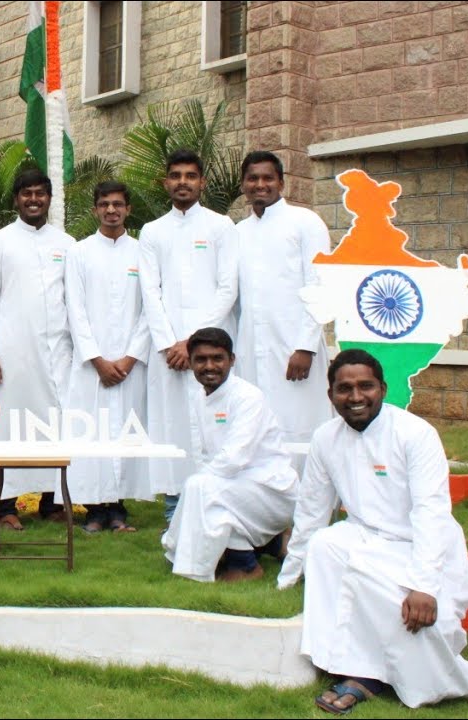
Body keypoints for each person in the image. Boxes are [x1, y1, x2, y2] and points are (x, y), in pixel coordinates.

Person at [277, 349, 468, 712]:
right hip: (363, 536)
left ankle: (390, 676)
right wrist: (288, 578)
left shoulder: (415, 434)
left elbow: (431, 512)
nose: (355, 397)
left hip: (420, 547)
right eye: (344, 388)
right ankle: (349, 665)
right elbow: (311, 511)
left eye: (366, 386)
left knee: (387, 592)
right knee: (323, 544)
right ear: (330, 395)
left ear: (383, 389)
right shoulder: (325, 437)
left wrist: (423, 585)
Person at [139, 149, 239, 524]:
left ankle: (217, 503)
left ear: (202, 182)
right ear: (166, 182)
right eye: (176, 175)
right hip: (167, 350)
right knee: (172, 424)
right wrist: (170, 343)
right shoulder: (152, 231)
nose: (183, 182)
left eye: (190, 176)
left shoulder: (221, 226)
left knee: (215, 421)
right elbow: (150, 291)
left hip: (210, 347)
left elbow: (228, 288)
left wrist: (193, 343)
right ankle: (173, 508)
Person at [0, 168, 73, 529]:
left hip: (57, 352)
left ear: (49, 198)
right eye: (26, 193)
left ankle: (50, 502)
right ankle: (5, 506)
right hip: (10, 353)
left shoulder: (67, 243)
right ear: (16, 199)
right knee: (9, 426)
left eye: (40, 193)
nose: (34, 200)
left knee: (53, 425)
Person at [161, 328, 296, 582]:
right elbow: (207, 456)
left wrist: (197, 491)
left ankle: (244, 566)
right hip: (234, 487)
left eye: (217, 358)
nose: (209, 366)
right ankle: (272, 544)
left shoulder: (247, 396)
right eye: (201, 359)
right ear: (190, 363)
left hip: (272, 490)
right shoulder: (201, 397)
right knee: (204, 490)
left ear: (232, 360)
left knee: (203, 489)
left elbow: (234, 459)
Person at [64, 181, 152, 533]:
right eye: (104, 204)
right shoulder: (80, 252)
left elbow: (149, 309)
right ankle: (94, 509)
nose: (111, 210)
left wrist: (130, 357)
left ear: (128, 209)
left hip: (130, 365)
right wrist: (97, 359)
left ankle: (118, 509)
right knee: (92, 432)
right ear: (95, 209)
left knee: (126, 431)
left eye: (118, 204)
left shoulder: (142, 252)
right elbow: (75, 309)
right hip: (92, 366)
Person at [234, 150, 332, 448]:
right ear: (243, 184)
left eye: (268, 178)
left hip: (295, 345)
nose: (260, 185)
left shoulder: (305, 222)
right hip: (251, 347)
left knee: (301, 425)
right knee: (255, 426)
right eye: (253, 178)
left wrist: (305, 346)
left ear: (281, 183)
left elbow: (319, 285)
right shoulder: (237, 232)